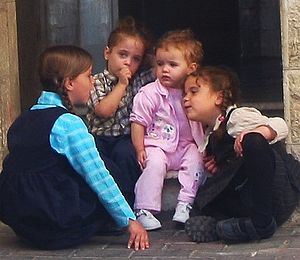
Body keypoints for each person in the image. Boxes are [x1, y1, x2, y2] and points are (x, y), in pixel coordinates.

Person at [0, 45, 149, 251]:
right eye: (88, 76)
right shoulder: (67, 124)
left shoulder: (23, 120)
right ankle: (112, 219)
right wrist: (129, 221)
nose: (93, 81)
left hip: (24, 225)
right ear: (69, 83)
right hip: (57, 226)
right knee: (102, 164)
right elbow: (98, 176)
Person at [183, 66, 300, 243]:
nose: (186, 98)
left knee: (253, 142)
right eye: (185, 93)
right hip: (250, 195)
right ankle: (225, 226)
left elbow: (280, 125)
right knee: (206, 199)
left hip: (276, 193)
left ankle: (261, 224)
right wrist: (223, 165)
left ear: (219, 97)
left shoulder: (237, 116)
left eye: (193, 92)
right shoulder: (211, 133)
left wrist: (258, 133)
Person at [130, 29, 206, 231]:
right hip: (157, 145)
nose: (165, 69)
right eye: (160, 64)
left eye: (173, 65)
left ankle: (185, 203)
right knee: (153, 165)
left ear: (191, 68)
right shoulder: (149, 93)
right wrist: (139, 148)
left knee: (196, 159)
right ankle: (145, 209)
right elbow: (138, 122)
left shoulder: (193, 92)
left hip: (186, 145)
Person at [86, 16, 155, 208]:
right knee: (99, 163)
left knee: (127, 155)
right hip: (99, 137)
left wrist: (148, 57)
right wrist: (122, 84)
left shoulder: (138, 80)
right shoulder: (96, 81)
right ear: (107, 53)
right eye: (122, 55)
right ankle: (103, 205)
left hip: (124, 138)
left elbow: (160, 67)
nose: (128, 63)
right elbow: (103, 111)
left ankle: (126, 202)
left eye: (135, 59)